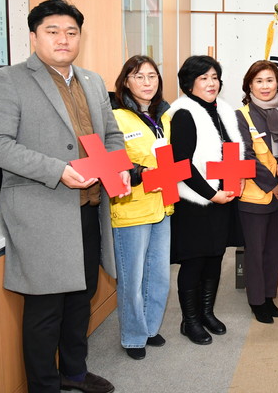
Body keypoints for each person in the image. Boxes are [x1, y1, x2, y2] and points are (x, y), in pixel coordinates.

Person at [0, 0, 129, 393]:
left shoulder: (92, 80)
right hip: (41, 212)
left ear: (80, 37)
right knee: (46, 308)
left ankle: (74, 373)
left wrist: (119, 168)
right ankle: (43, 385)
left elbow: (111, 135)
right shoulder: (8, 79)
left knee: (81, 298)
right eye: (53, 31)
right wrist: (57, 170)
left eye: (71, 32)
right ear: (34, 36)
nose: (63, 39)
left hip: (89, 207)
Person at [168, 55, 244, 345]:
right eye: (204, 78)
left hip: (223, 197)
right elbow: (182, 165)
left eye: (214, 77)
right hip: (195, 201)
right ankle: (189, 320)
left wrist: (237, 179)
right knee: (194, 262)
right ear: (189, 84)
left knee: (215, 257)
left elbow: (231, 152)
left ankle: (206, 313)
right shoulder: (184, 113)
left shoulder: (222, 110)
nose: (211, 83)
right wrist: (212, 194)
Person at [110, 55, 173, 360]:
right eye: (139, 77)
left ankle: (149, 327)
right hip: (131, 208)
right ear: (126, 81)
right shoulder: (116, 117)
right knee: (132, 279)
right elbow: (113, 162)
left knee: (159, 275)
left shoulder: (164, 115)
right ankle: (133, 337)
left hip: (162, 205)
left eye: (152, 76)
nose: (147, 83)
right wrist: (141, 173)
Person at [235, 60, 278, 324]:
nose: (265, 86)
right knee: (255, 251)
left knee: (275, 250)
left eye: (270, 80)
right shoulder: (241, 115)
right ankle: (256, 301)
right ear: (249, 86)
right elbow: (246, 156)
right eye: (259, 81)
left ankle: (268, 296)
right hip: (255, 195)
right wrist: (273, 184)